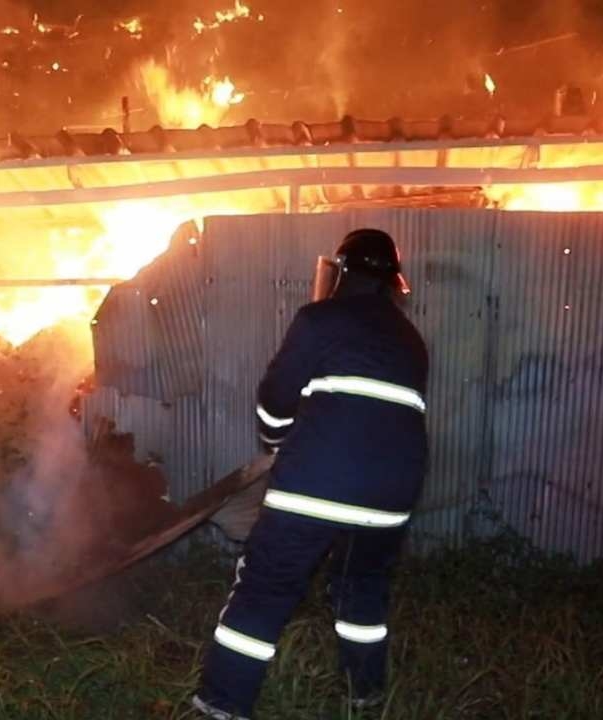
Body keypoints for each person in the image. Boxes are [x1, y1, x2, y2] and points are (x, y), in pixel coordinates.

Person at [192, 228, 429, 719]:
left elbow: (276, 400)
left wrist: (278, 445)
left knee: (265, 586)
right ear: (391, 282)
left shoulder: (318, 319)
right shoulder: (412, 340)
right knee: (361, 588)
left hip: (318, 485)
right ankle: (364, 694)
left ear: (341, 272)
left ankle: (222, 703)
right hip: (392, 494)